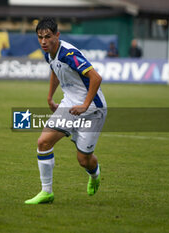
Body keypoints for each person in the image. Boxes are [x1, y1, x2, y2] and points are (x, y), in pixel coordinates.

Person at [25, 18, 107, 204]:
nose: (44, 41)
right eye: (40, 37)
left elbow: (96, 78)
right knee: (43, 142)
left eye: (48, 37)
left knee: (83, 160)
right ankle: (47, 192)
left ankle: (95, 175)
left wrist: (85, 105)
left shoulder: (69, 53)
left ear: (57, 35)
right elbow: (55, 70)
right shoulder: (48, 53)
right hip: (69, 106)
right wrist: (50, 97)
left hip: (93, 109)